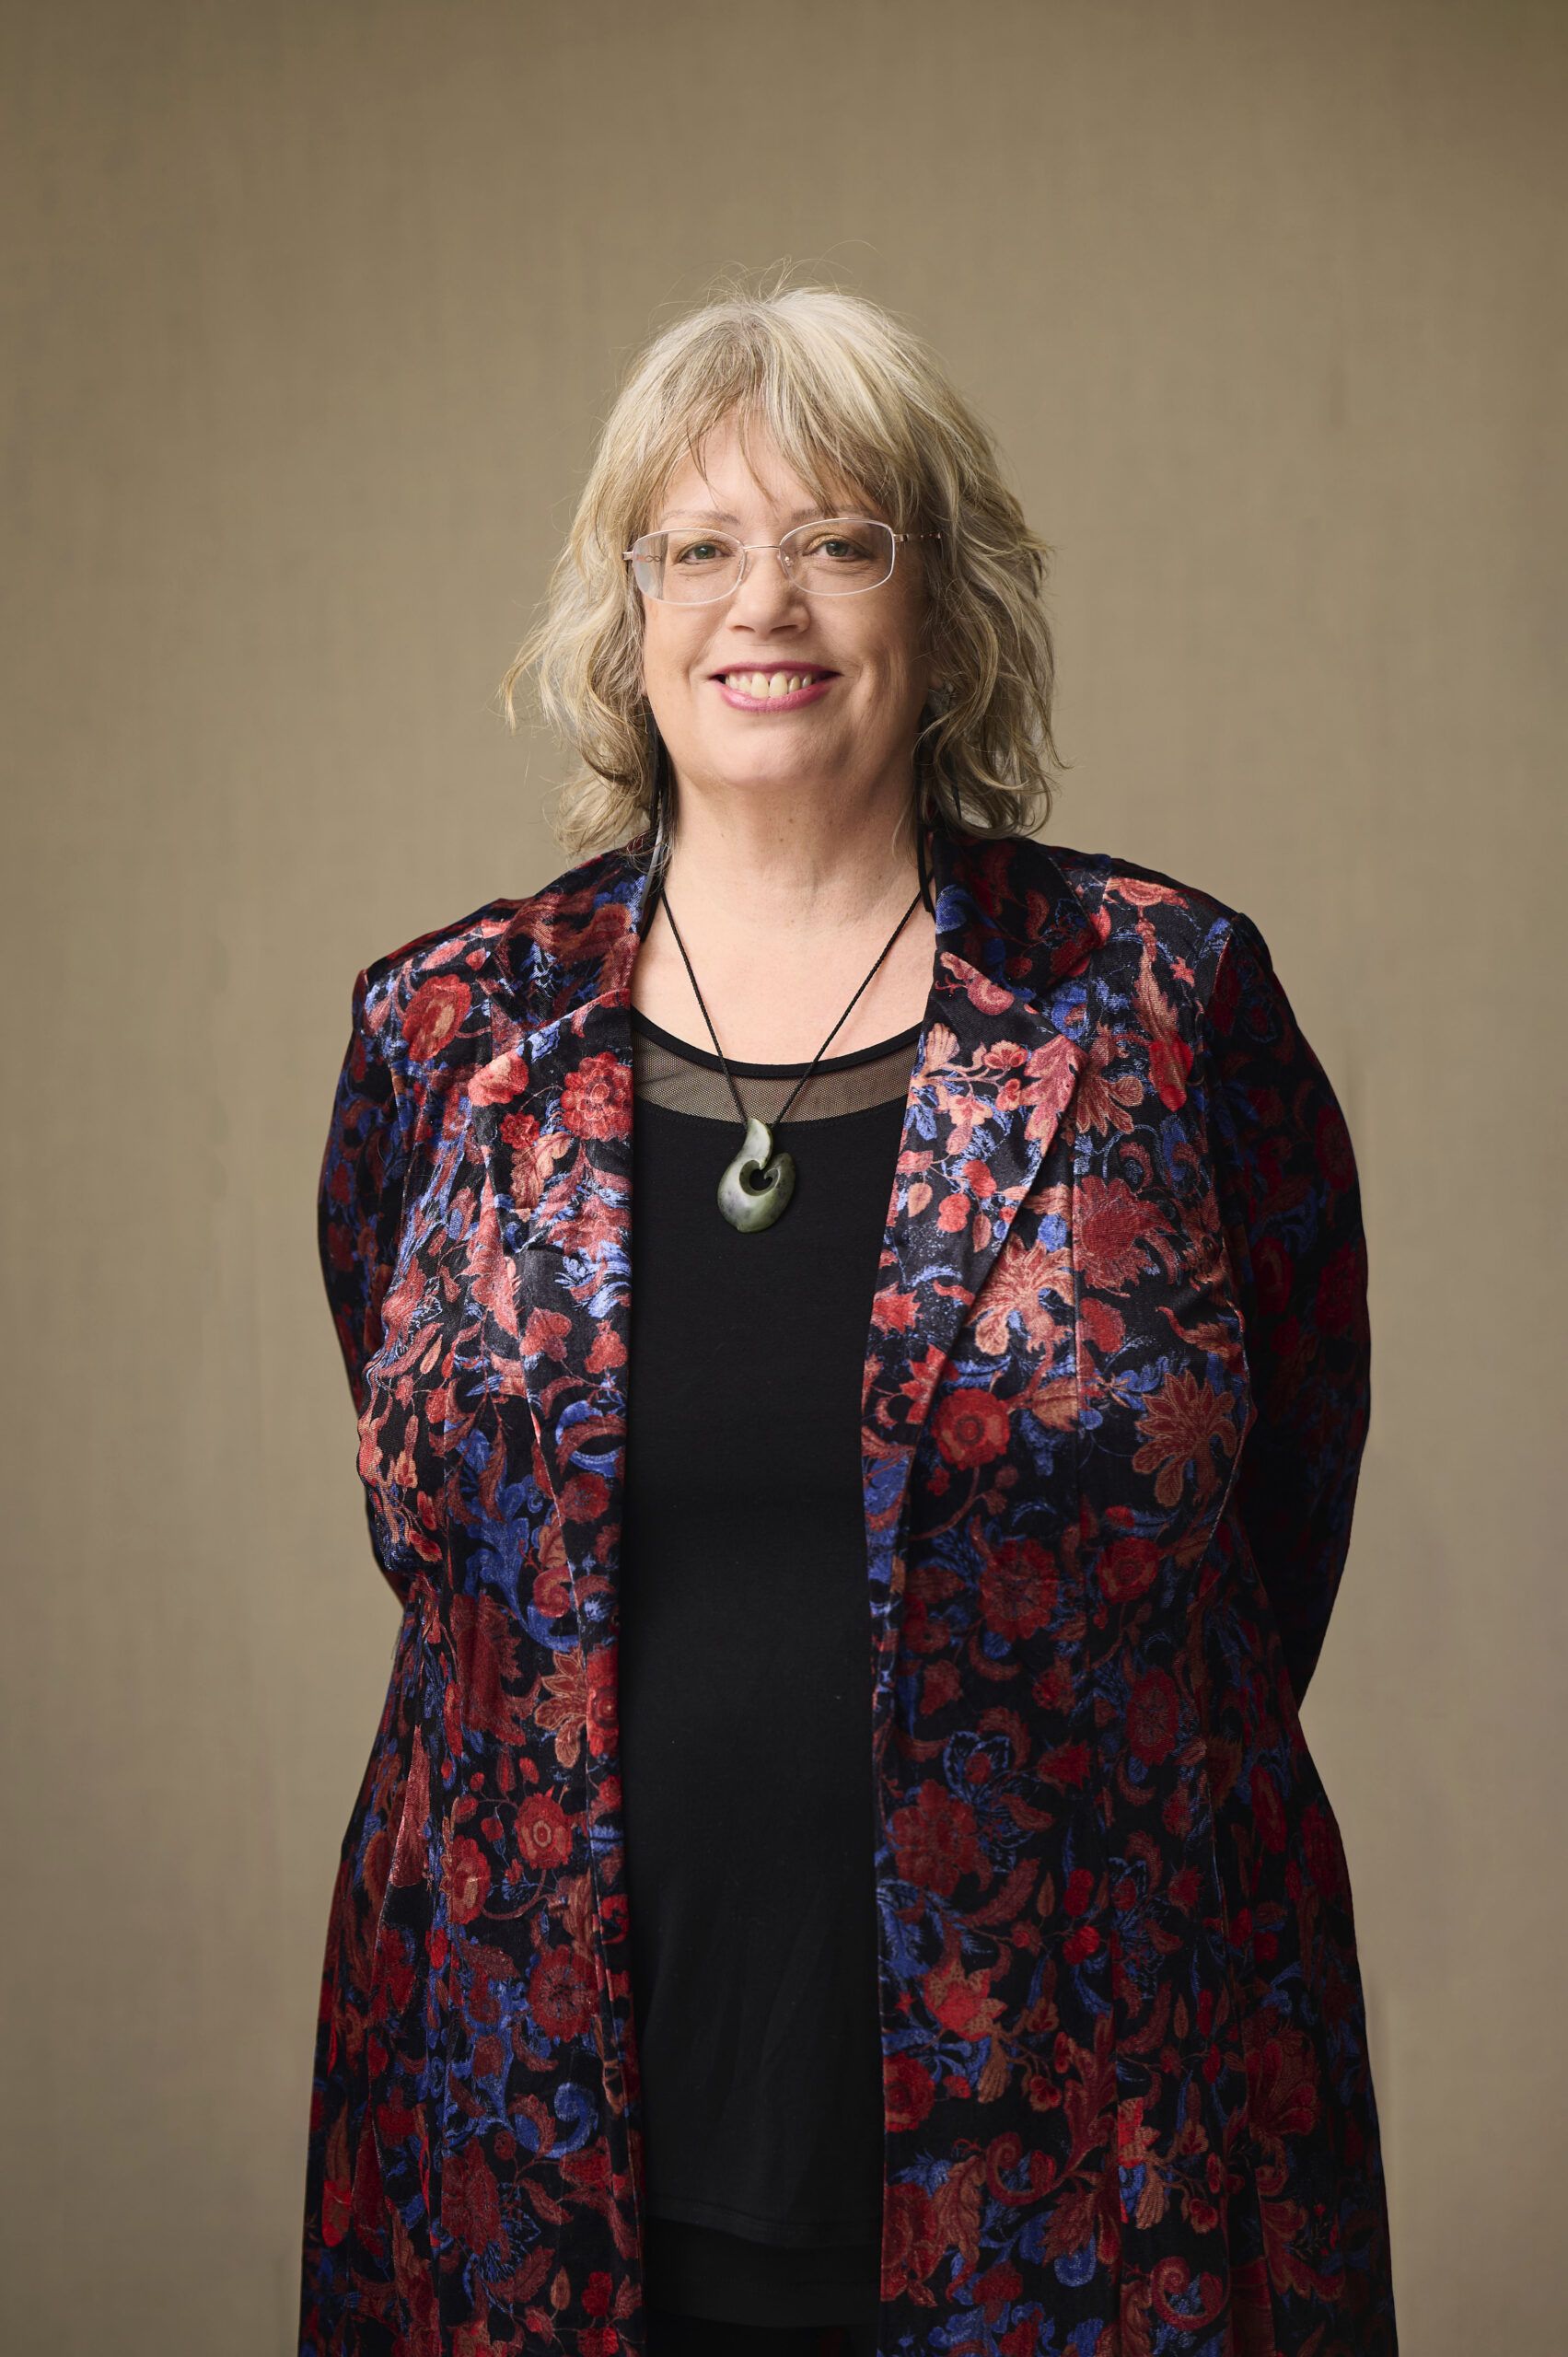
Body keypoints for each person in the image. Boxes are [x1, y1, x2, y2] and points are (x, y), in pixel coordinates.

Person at [297, 276, 1399, 2357]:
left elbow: (1274, 1525)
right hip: (526, 2130)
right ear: (628, 618)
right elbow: (447, 1554)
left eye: (839, 540)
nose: (765, 602)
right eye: (699, 547)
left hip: (1098, 2130)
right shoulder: (448, 1036)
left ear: (945, 609)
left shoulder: (1165, 1006)